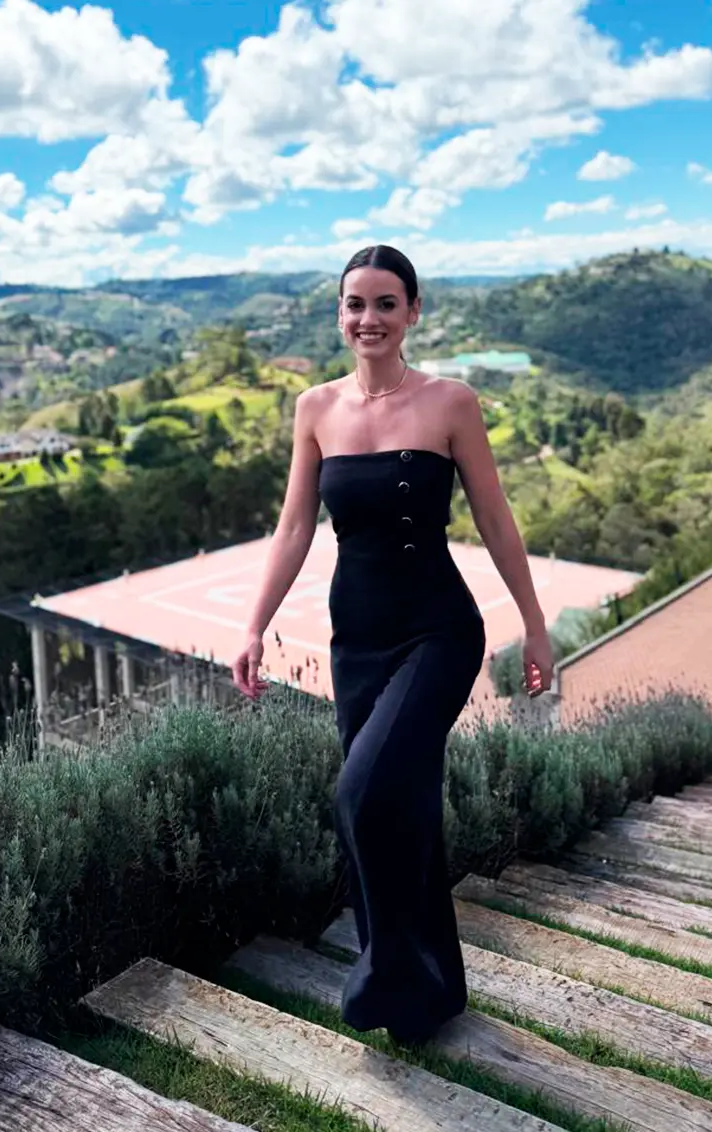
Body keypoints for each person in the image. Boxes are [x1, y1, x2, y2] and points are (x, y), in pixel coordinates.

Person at [233, 244, 553, 1045]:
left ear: (413, 312)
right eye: (355, 304)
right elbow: (295, 527)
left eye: (385, 303)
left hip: (439, 631)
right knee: (402, 806)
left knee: (360, 793)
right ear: (339, 314)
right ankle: (427, 997)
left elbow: (495, 517)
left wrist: (535, 623)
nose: (368, 318)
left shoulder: (451, 403)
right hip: (358, 638)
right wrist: (255, 625)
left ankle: (381, 978)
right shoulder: (315, 408)